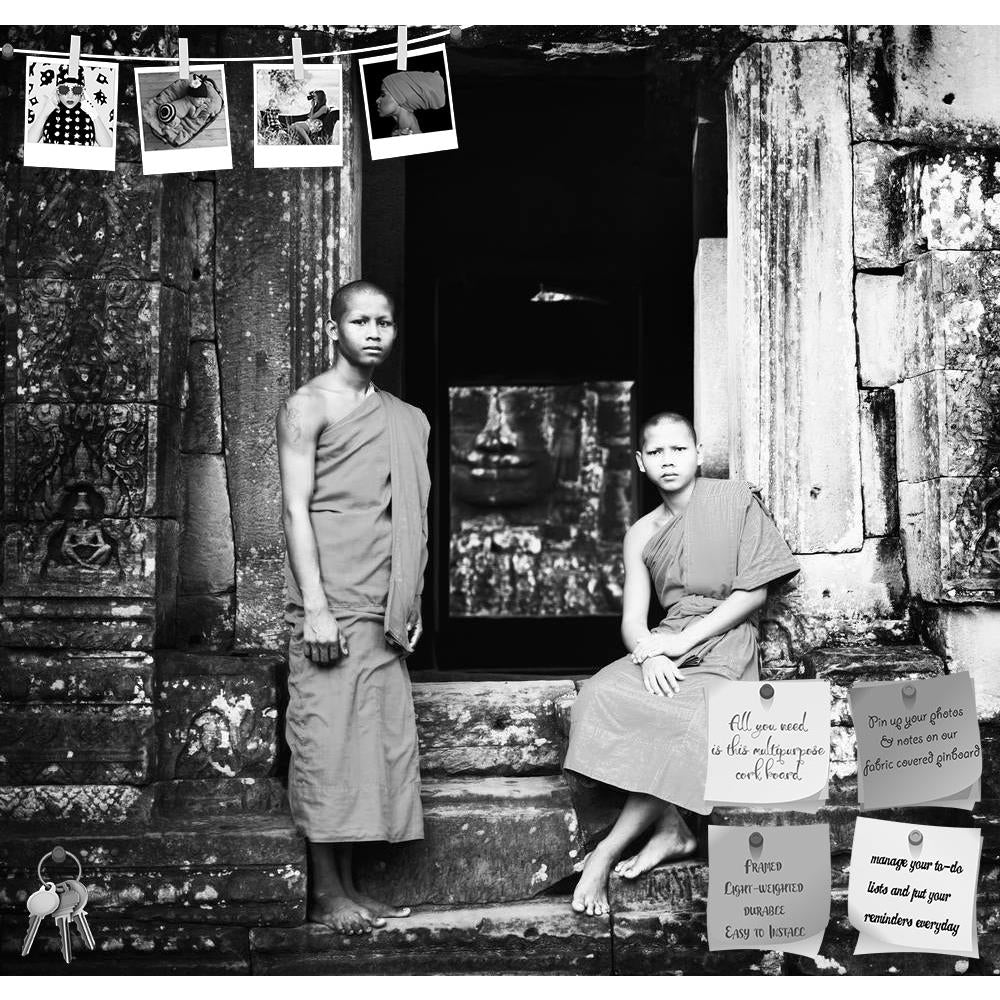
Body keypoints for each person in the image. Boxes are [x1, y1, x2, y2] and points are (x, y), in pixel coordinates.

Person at [563, 412, 800, 916]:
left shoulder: (733, 501)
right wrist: (649, 653)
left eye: (678, 450)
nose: (668, 461)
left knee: (692, 718)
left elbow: (754, 592)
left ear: (696, 453)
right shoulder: (642, 533)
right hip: (667, 641)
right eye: (656, 453)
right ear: (641, 462)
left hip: (725, 639)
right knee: (601, 694)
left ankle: (604, 853)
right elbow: (633, 622)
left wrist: (684, 641)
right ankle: (672, 827)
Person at [276, 280, 430, 935]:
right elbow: (293, 508)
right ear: (334, 328)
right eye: (360, 321)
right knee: (326, 740)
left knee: (370, 743)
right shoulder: (307, 407)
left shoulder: (407, 417)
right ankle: (323, 890)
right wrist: (316, 606)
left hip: (382, 600)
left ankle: (352, 884)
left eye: (385, 322)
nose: (373, 332)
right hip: (331, 595)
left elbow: (408, 516)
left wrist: (411, 595)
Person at [26, 65, 112, 148]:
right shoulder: (49, 112)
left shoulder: (89, 114)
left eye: (76, 90)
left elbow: (109, 148)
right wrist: (45, 112)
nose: (70, 96)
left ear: (83, 92)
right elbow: (28, 145)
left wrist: (92, 112)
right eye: (64, 89)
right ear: (57, 91)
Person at [375, 69, 446, 135]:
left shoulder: (413, 139)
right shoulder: (401, 132)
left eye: (383, 95)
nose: (377, 100)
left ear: (401, 98)